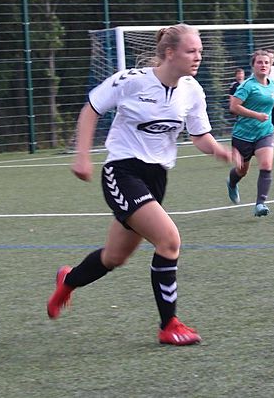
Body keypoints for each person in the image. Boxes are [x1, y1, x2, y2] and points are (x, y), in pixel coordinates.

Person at [47, 24, 240, 346]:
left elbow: (198, 135)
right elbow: (91, 109)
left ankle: (68, 280)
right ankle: (169, 325)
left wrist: (218, 150)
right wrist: (82, 157)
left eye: (200, 51)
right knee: (169, 240)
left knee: (114, 257)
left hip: (156, 177)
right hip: (122, 172)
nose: (198, 57)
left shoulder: (192, 90)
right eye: (191, 51)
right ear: (170, 53)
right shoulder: (132, 81)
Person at [226, 50, 274, 217]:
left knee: (266, 165)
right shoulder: (247, 86)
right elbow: (234, 107)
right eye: (259, 62)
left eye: (266, 63)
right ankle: (232, 183)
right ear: (253, 66)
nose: (263, 65)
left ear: (270, 66)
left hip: (265, 133)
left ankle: (260, 204)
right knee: (242, 171)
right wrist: (256, 115)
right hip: (243, 135)